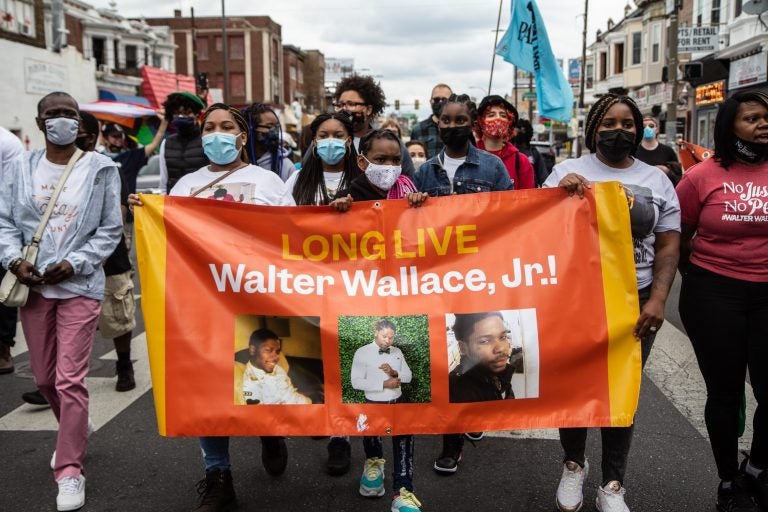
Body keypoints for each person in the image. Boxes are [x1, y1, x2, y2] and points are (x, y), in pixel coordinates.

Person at [130, 103, 294, 512]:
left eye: (226, 127)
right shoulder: (185, 185)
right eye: (209, 127)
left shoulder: (268, 182)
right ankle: (218, 475)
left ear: (242, 137)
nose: (216, 134)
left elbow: (292, 237)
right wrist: (147, 212)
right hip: (203, 303)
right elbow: (170, 237)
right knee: (208, 390)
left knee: (256, 379)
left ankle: (270, 434)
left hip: (257, 298)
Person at [542, 93, 680, 512]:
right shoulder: (566, 172)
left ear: (638, 130)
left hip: (634, 299)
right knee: (575, 385)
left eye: (627, 125)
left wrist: (657, 299)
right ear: (592, 130)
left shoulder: (657, 180)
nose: (618, 132)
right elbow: (539, 234)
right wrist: (557, 200)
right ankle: (572, 465)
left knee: (623, 390)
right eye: (608, 124)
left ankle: (613, 484)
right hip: (577, 298)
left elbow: (669, 244)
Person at [0, 91, 123, 511]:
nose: (62, 121)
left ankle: (69, 469)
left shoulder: (101, 168)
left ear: (79, 122)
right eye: (53, 115)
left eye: (69, 114)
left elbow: (110, 229)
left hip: (79, 287)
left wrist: (76, 263)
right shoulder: (20, 167)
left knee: (70, 379)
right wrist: (14, 259)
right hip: (33, 288)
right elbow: (4, 221)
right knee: (45, 379)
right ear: (39, 124)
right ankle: (76, 424)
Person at [676, 90, 768, 512]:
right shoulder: (701, 177)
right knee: (726, 392)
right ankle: (729, 479)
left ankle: (757, 469)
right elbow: (676, 235)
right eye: (751, 118)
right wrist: (694, 276)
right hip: (714, 294)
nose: (763, 124)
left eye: (767, 117)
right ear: (730, 125)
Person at [414, 93, 512, 476]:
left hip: (479, 279)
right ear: (436, 122)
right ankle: (452, 436)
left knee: (472, 353)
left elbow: (512, 217)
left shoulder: (492, 168)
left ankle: (467, 419)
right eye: (445, 120)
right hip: (437, 281)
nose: (452, 126)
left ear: (470, 123)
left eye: (460, 120)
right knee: (444, 357)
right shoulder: (423, 173)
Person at [78, 111, 138, 391]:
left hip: (108, 260)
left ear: (92, 138)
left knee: (118, 318)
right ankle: (58, 380)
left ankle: (124, 365)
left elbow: (118, 216)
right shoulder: (50, 172)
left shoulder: (109, 169)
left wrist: (97, 253)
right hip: (66, 262)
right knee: (68, 325)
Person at [350, 318, 421, 512]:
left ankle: (403, 492)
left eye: (391, 337)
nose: (388, 340)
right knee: (372, 438)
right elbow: (355, 382)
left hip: (397, 404)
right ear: (375, 331)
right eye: (384, 336)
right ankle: (374, 467)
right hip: (373, 404)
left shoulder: (397, 352)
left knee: (404, 440)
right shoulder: (362, 352)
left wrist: (394, 372)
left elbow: (408, 376)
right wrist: (382, 384)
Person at [332, 74, 415, 176]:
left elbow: (408, 181)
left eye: (351, 104)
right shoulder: (327, 141)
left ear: (369, 109)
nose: (344, 109)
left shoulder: (390, 143)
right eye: (340, 105)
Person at [332, 129, 426, 207]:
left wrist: (420, 203)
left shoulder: (408, 193)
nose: (390, 166)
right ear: (361, 162)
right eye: (381, 159)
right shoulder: (348, 198)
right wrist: (338, 213)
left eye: (396, 160)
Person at [285, 112, 361, 206]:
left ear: (349, 141)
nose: (330, 141)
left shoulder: (361, 180)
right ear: (315, 142)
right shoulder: (297, 179)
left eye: (338, 136)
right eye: (323, 136)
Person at [448, 312, 515, 403]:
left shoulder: (500, 373)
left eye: (502, 337)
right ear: (463, 348)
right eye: (485, 341)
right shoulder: (457, 391)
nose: (500, 348)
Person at [0, 126, 23, 374]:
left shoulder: (7, 142)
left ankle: (3, 346)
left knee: (3, 291)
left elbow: (12, 191)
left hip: (2, 226)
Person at [476, 95, 535, 190]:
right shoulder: (468, 156)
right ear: (481, 122)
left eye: (503, 115)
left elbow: (527, 200)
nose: (498, 119)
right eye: (491, 115)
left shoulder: (521, 162)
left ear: (509, 122)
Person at [242, 328, 311, 405]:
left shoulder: (278, 368)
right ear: (252, 350)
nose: (276, 358)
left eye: (277, 352)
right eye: (269, 350)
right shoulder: (249, 381)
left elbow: (290, 391)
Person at [101, 116, 168, 195]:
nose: (119, 139)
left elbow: (154, 144)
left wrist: (165, 121)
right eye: (115, 136)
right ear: (105, 138)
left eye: (121, 136)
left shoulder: (131, 156)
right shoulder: (98, 158)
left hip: (126, 204)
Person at [159, 91, 208, 194]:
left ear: (196, 114)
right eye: (177, 113)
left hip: (201, 201)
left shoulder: (207, 140)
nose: (181, 116)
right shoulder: (166, 143)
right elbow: (164, 182)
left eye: (187, 112)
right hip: (174, 203)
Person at [242, 102, 297, 182]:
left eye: (277, 126)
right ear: (251, 129)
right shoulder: (236, 163)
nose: (275, 130)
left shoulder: (286, 166)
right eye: (270, 126)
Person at [635, 115, 682, 186]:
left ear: (657, 129)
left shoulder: (668, 151)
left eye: (651, 126)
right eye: (644, 127)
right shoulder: (634, 152)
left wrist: (666, 170)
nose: (647, 128)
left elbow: (678, 174)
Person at [411, 83, 453, 157]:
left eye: (444, 100)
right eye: (436, 100)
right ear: (430, 102)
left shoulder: (458, 129)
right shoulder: (418, 130)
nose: (440, 102)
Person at [514, 118, 550, 187]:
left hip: (531, 193)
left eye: (521, 130)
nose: (517, 133)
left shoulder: (533, 152)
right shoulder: (509, 152)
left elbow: (544, 178)